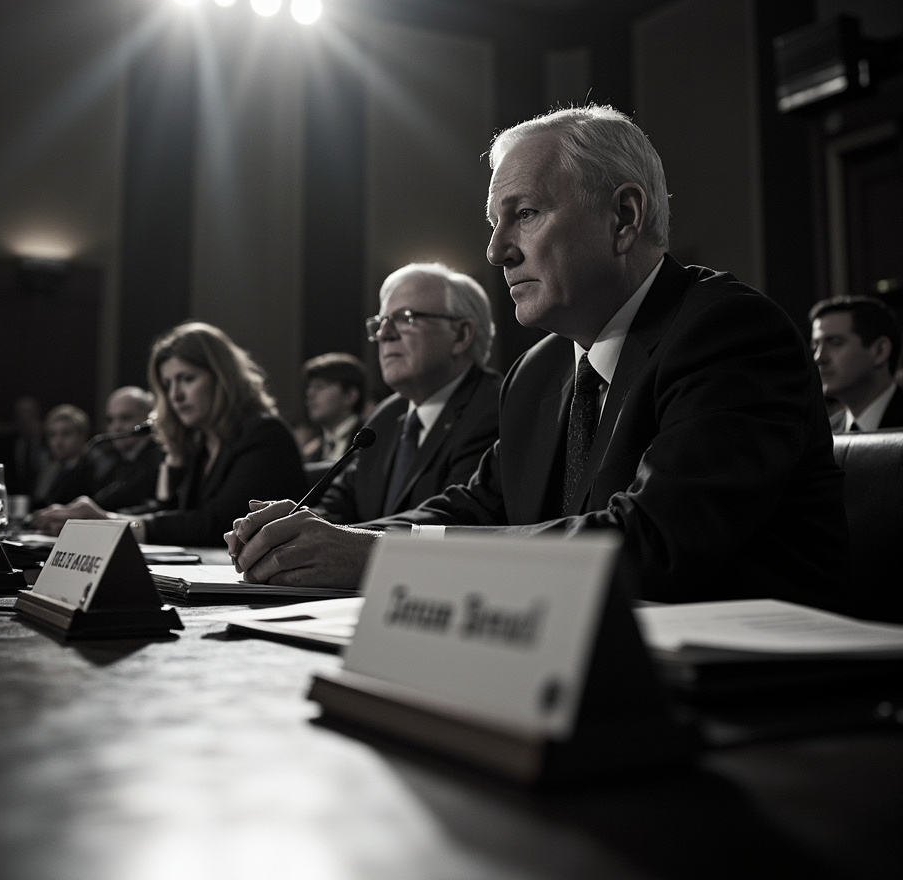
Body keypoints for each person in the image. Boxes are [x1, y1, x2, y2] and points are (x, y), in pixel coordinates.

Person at [226, 103, 848, 613]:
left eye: (523, 215)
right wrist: (330, 542)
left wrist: (372, 559)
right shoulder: (541, 370)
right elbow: (477, 509)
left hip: (766, 707)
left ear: (624, 218)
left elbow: (652, 547)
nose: (497, 252)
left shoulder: (727, 331)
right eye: (494, 224)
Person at [27, 321, 306, 546]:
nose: (175, 395)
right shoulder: (202, 442)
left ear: (222, 377)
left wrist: (111, 522)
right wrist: (102, 521)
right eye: (167, 383)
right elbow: (171, 512)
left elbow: (217, 524)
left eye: (187, 378)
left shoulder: (264, 433)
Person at [312, 262, 502, 523]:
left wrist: (342, 540)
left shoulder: (494, 408)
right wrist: (289, 528)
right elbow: (337, 504)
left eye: (405, 318)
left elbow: (453, 521)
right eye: (381, 322)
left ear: (460, 335)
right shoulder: (388, 416)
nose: (384, 334)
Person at [809, 294, 903, 432]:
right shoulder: (825, 434)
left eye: (835, 342)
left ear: (880, 351)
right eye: (815, 346)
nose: (818, 358)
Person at [89, 385, 164, 511]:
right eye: (110, 420)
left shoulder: (160, 460)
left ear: (148, 419)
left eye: (125, 418)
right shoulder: (112, 461)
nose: (116, 427)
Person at [299, 353, 369, 462]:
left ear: (350, 395)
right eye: (309, 387)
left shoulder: (370, 443)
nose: (310, 394)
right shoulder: (311, 452)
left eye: (320, 386)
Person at [29, 404, 99, 510]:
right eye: (52, 434)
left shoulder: (96, 467)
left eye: (66, 434)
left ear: (82, 436)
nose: (58, 442)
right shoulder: (50, 469)